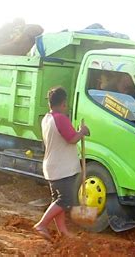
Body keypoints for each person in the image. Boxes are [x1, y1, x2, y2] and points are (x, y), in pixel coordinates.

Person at [33, 87, 89, 240]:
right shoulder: (60, 118)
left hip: (52, 166)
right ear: (64, 103)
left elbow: (64, 136)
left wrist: (77, 132)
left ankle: (63, 231)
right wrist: (82, 131)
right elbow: (72, 139)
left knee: (58, 200)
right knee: (66, 200)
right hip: (62, 168)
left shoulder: (47, 118)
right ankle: (41, 224)